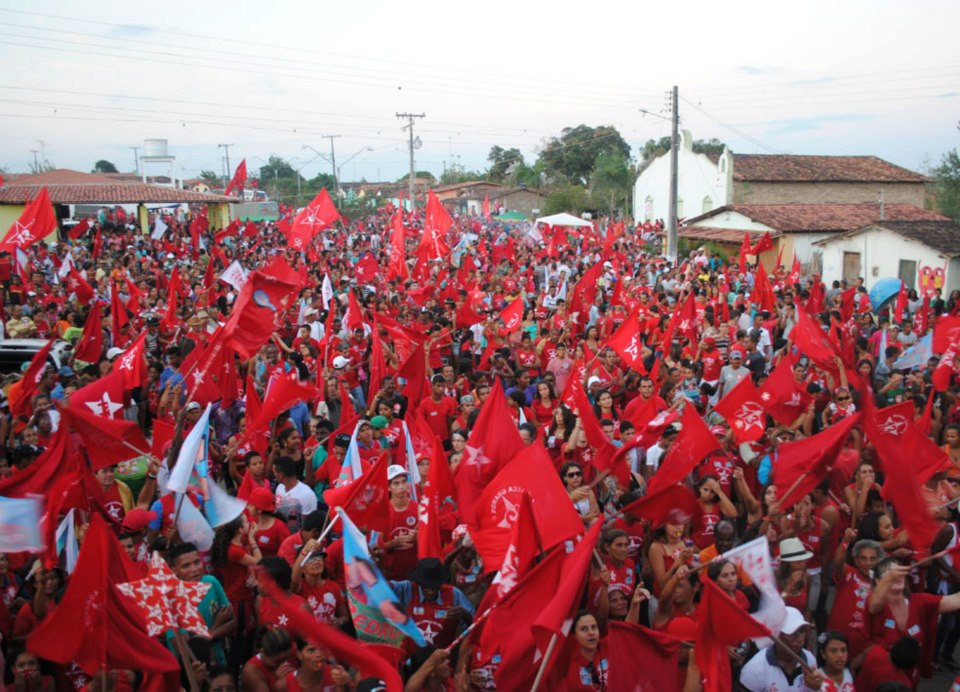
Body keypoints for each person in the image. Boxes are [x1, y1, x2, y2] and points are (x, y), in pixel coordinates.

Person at [739, 607, 821, 691]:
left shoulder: (810, 659)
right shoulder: (754, 669)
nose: (800, 639)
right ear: (776, 635)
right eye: (792, 633)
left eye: (802, 631)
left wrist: (815, 688)